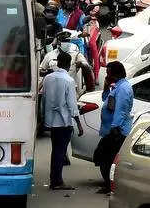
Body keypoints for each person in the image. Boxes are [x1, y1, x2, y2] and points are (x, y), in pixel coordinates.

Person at [42, 51, 83, 191]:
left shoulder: (47, 78)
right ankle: (57, 181)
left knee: (56, 151)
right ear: (68, 63)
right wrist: (78, 123)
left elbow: (44, 98)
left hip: (51, 121)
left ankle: (55, 179)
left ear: (58, 62)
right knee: (60, 152)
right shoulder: (69, 81)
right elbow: (72, 105)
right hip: (64, 121)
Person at [93, 60, 133, 194]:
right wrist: (106, 87)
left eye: (108, 73)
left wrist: (114, 128)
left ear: (114, 74)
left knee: (105, 158)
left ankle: (110, 186)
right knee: (104, 157)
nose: (106, 75)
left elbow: (121, 110)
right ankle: (108, 185)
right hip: (110, 130)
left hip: (116, 131)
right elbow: (106, 100)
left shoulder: (123, 89)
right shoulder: (116, 87)